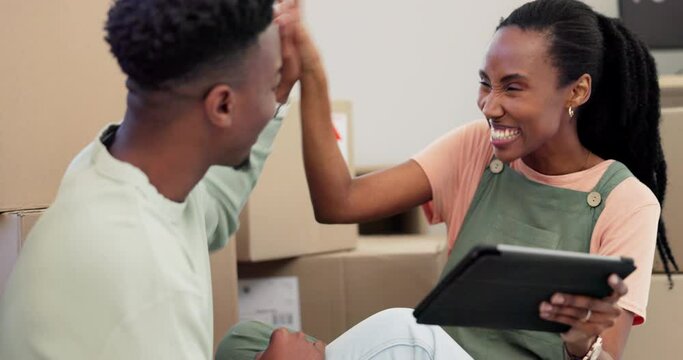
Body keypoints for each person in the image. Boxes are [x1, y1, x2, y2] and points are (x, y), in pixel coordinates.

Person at [220, 0, 677, 359]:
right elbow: (339, 203)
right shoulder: (477, 149)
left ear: (576, 91)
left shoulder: (626, 201)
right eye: (485, 83)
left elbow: (606, 355)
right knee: (245, 343)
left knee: (403, 334)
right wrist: (312, 75)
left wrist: (580, 345)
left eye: (512, 87)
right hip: (437, 351)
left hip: (424, 349)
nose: (490, 105)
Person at [0, 0, 324, 358]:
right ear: (222, 106)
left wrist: (277, 92)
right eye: (272, 84)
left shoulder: (108, 166)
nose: (273, 101)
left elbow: (211, 204)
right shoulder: (150, 280)